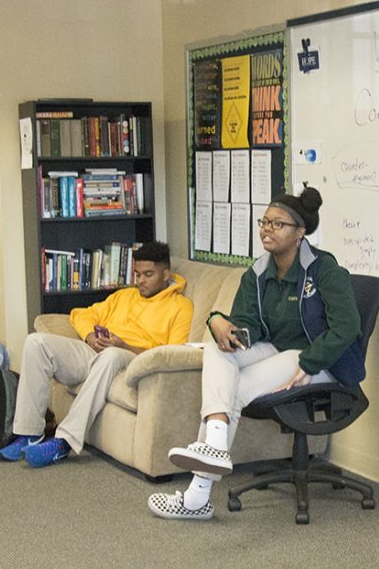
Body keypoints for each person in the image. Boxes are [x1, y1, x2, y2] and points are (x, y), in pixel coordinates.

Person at [148, 186, 362, 520]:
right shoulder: (259, 273)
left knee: (238, 389)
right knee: (217, 350)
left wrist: (310, 361)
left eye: (278, 224)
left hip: (319, 360)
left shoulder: (325, 271)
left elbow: (346, 328)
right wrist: (219, 322)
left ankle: (197, 497)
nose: (266, 229)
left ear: (300, 233)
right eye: (264, 222)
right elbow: (249, 327)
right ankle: (216, 442)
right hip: (277, 350)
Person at [0, 241, 193, 468]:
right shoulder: (124, 297)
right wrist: (90, 336)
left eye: (148, 275)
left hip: (132, 359)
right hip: (96, 352)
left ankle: (64, 441)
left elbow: (173, 354)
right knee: (36, 342)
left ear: (166, 273)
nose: (140, 281)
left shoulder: (181, 307)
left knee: (111, 355)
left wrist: (125, 345)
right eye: (137, 274)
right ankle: (29, 433)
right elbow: (81, 315)